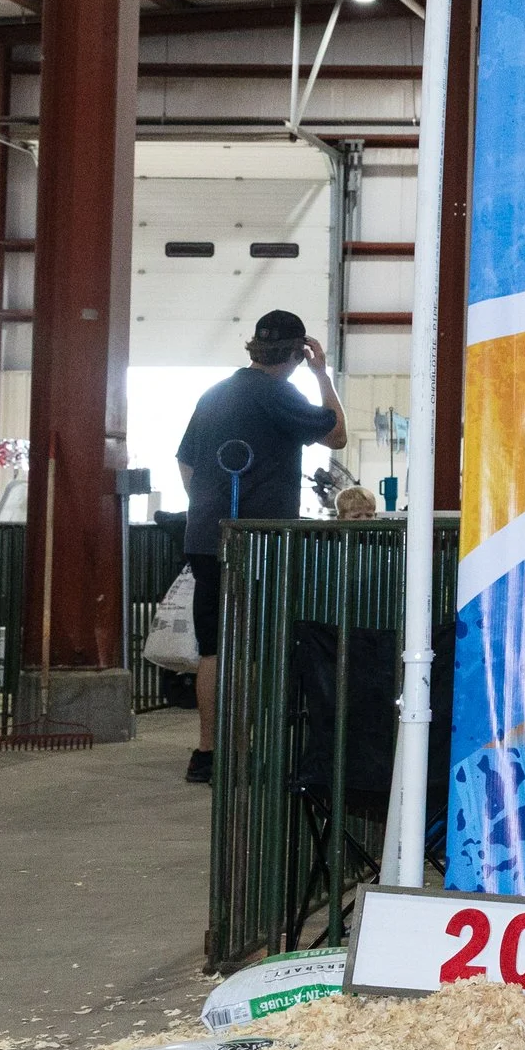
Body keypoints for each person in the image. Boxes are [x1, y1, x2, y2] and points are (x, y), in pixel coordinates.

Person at [174, 311, 348, 784]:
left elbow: (186, 463)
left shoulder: (214, 394)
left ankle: (208, 753)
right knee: (254, 647)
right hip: (259, 543)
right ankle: (246, 753)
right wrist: (322, 374)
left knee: (213, 647)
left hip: (206, 538)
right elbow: (336, 434)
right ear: (298, 353)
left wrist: (209, 509)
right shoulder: (278, 394)